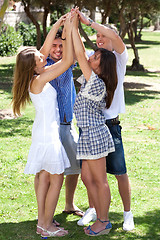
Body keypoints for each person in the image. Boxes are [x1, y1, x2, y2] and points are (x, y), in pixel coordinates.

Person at [12, 14, 74, 237]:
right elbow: (67, 62)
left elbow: (46, 49)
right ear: (35, 64)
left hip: (44, 132)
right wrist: (67, 32)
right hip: (47, 135)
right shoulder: (39, 80)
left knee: (48, 177)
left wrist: (58, 24)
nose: (44, 55)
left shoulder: (38, 75)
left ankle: (43, 223)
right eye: (40, 56)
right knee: (56, 177)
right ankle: (45, 226)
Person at [76, 10, 135, 231]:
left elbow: (114, 37)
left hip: (110, 125)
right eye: (98, 38)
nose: (100, 40)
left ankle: (127, 214)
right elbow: (82, 56)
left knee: (119, 171)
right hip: (90, 126)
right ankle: (95, 209)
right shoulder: (96, 61)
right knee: (88, 175)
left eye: (104, 37)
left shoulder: (119, 58)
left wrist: (89, 22)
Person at [71, 11, 118, 236]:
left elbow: (80, 54)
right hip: (87, 134)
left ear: (101, 66)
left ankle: (104, 221)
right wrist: (72, 26)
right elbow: (80, 52)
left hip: (95, 134)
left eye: (95, 57)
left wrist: (74, 24)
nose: (91, 58)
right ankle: (99, 213)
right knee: (87, 177)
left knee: (100, 180)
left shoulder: (97, 82)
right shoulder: (91, 78)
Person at [46, 29, 83, 217]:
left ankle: (69, 204)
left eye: (61, 45)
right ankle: (46, 213)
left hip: (68, 123)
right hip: (51, 125)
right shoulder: (42, 64)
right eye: (54, 45)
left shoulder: (68, 62)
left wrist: (70, 26)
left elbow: (76, 49)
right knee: (51, 171)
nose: (58, 49)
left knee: (75, 166)